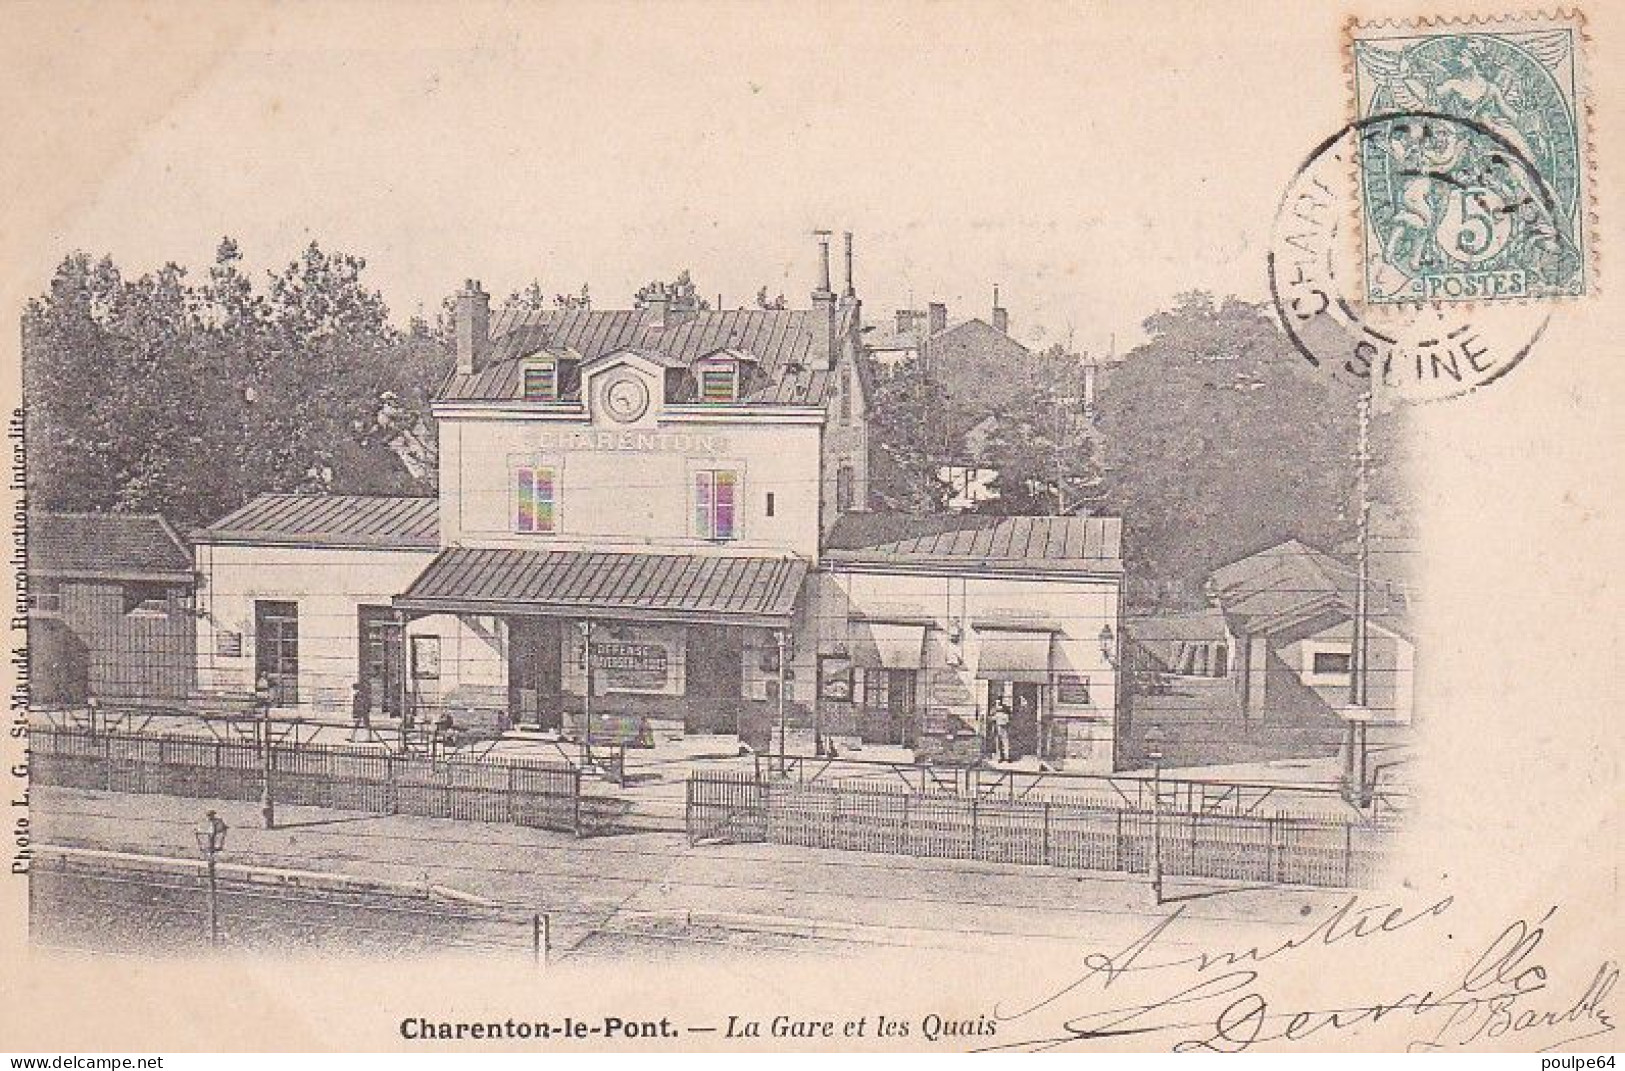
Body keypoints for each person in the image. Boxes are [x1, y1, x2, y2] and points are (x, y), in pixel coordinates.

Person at [992, 697, 1012, 763]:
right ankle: (999, 757)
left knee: (1006, 742)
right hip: (997, 727)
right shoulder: (994, 710)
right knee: (998, 743)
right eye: (997, 702)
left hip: (1004, 727)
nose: (998, 703)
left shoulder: (1005, 709)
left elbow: (1008, 718)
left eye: (999, 702)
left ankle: (1007, 757)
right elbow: (992, 719)